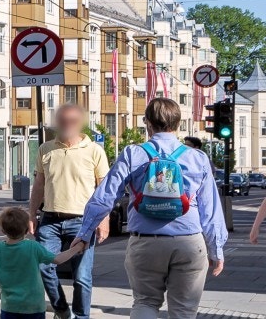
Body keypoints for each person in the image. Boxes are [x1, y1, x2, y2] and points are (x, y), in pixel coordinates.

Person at [71, 97, 226, 319]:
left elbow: (105, 196)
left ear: (148, 123)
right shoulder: (197, 158)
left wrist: (85, 233)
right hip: (188, 242)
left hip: (145, 242)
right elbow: (210, 210)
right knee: (184, 310)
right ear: (178, 124)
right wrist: (216, 249)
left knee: (145, 302)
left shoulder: (133, 154)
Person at [30, 104, 111, 319]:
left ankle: (81, 316)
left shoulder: (94, 150)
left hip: (83, 222)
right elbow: (39, 185)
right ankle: (62, 311)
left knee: (82, 277)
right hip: (50, 219)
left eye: (72, 121)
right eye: (63, 121)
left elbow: (104, 189)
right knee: (44, 267)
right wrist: (31, 214)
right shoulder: (45, 149)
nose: (67, 125)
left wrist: (104, 219)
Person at [0, 206, 81, 319]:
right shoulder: (33, 247)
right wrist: (76, 248)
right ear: (27, 229)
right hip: (34, 306)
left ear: (3, 230)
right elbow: (57, 259)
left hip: (9, 306)